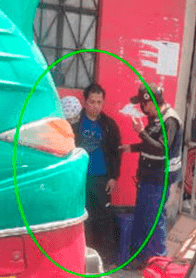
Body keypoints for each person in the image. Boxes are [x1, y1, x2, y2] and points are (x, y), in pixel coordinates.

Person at [120, 83, 183, 269]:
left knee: (154, 221)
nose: (141, 108)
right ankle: (142, 261)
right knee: (142, 218)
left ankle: (159, 263)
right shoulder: (155, 118)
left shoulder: (169, 121)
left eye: (142, 104)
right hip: (148, 177)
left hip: (159, 179)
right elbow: (149, 144)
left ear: (150, 103)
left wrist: (140, 133)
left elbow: (162, 149)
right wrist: (131, 148)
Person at [70, 83, 122, 265]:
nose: (96, 106)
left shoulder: (109, 125)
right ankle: (84, 255)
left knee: (103, 218)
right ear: (85, 102)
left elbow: (116, 152)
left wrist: (114, 177)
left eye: (99, 102)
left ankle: (106, 256)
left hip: (101, 179)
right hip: (79, 178)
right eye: (92, 102)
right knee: (82, 217)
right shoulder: (75, 122)